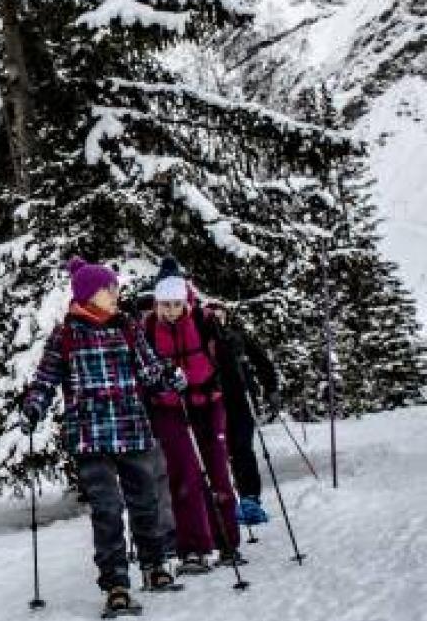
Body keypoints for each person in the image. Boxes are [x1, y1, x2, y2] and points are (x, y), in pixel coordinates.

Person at [20, 257, 183, 617]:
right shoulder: (66, 335)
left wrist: (168, 377)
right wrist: (33, 407)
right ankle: (116, 585)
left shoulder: (128, 327)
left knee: (145, 503)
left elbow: (149, 369)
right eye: (109, 289)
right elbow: (46, 379)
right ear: (90, 294)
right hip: (89, 436)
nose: (116, 294)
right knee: (107, 510)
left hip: (132, 428)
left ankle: (154, 567)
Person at [143, 257, 241, 574]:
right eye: (164, 305)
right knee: (183, 474)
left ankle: (226, 541)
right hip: (169, 408)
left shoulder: (203, 321)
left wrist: (229, 340)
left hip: (207, 404)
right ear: (156, 303)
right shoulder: (146, 328)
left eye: (175, 304)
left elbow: (228, 355)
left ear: (185, 301)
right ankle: (193, 547)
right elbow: (142, 370)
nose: (170, 311)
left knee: (217, 469)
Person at [206, 300, 280, 526]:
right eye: (212, 314)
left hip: (242, 400)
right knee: (221, 449)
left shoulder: (237, 336)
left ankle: (249, 498)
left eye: (220, 313)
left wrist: (271, 389)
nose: (217, 318)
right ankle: (227, 498)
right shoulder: (204, 340)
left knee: (241, 447)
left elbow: (262, 361)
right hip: (216, 401)